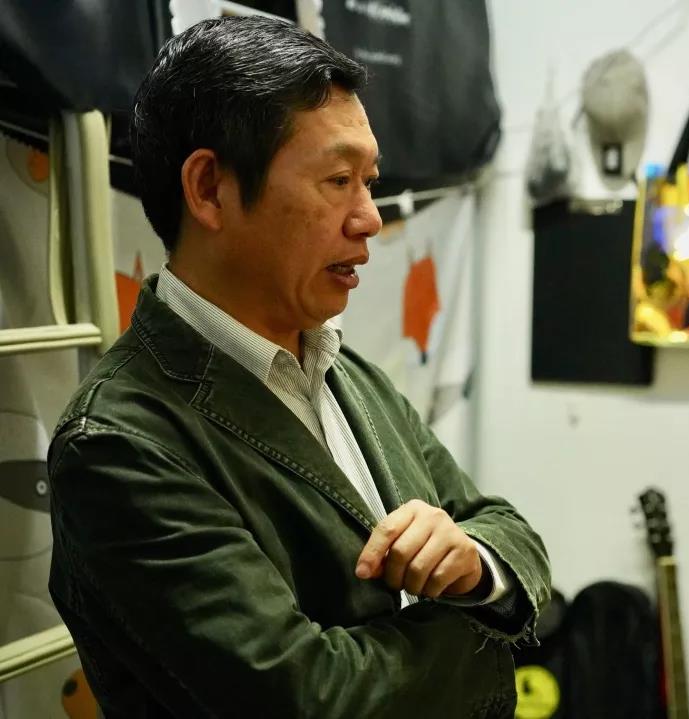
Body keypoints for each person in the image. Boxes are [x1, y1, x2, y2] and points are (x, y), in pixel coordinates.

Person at [46, 16, 551, 719]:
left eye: (369, 182)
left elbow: (504, 528)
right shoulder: (119, 444)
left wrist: (475, 566)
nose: (369, 218)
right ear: (210, 189)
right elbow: (310, 698)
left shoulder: (344, 371)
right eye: (338, 180)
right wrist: (483, 632)